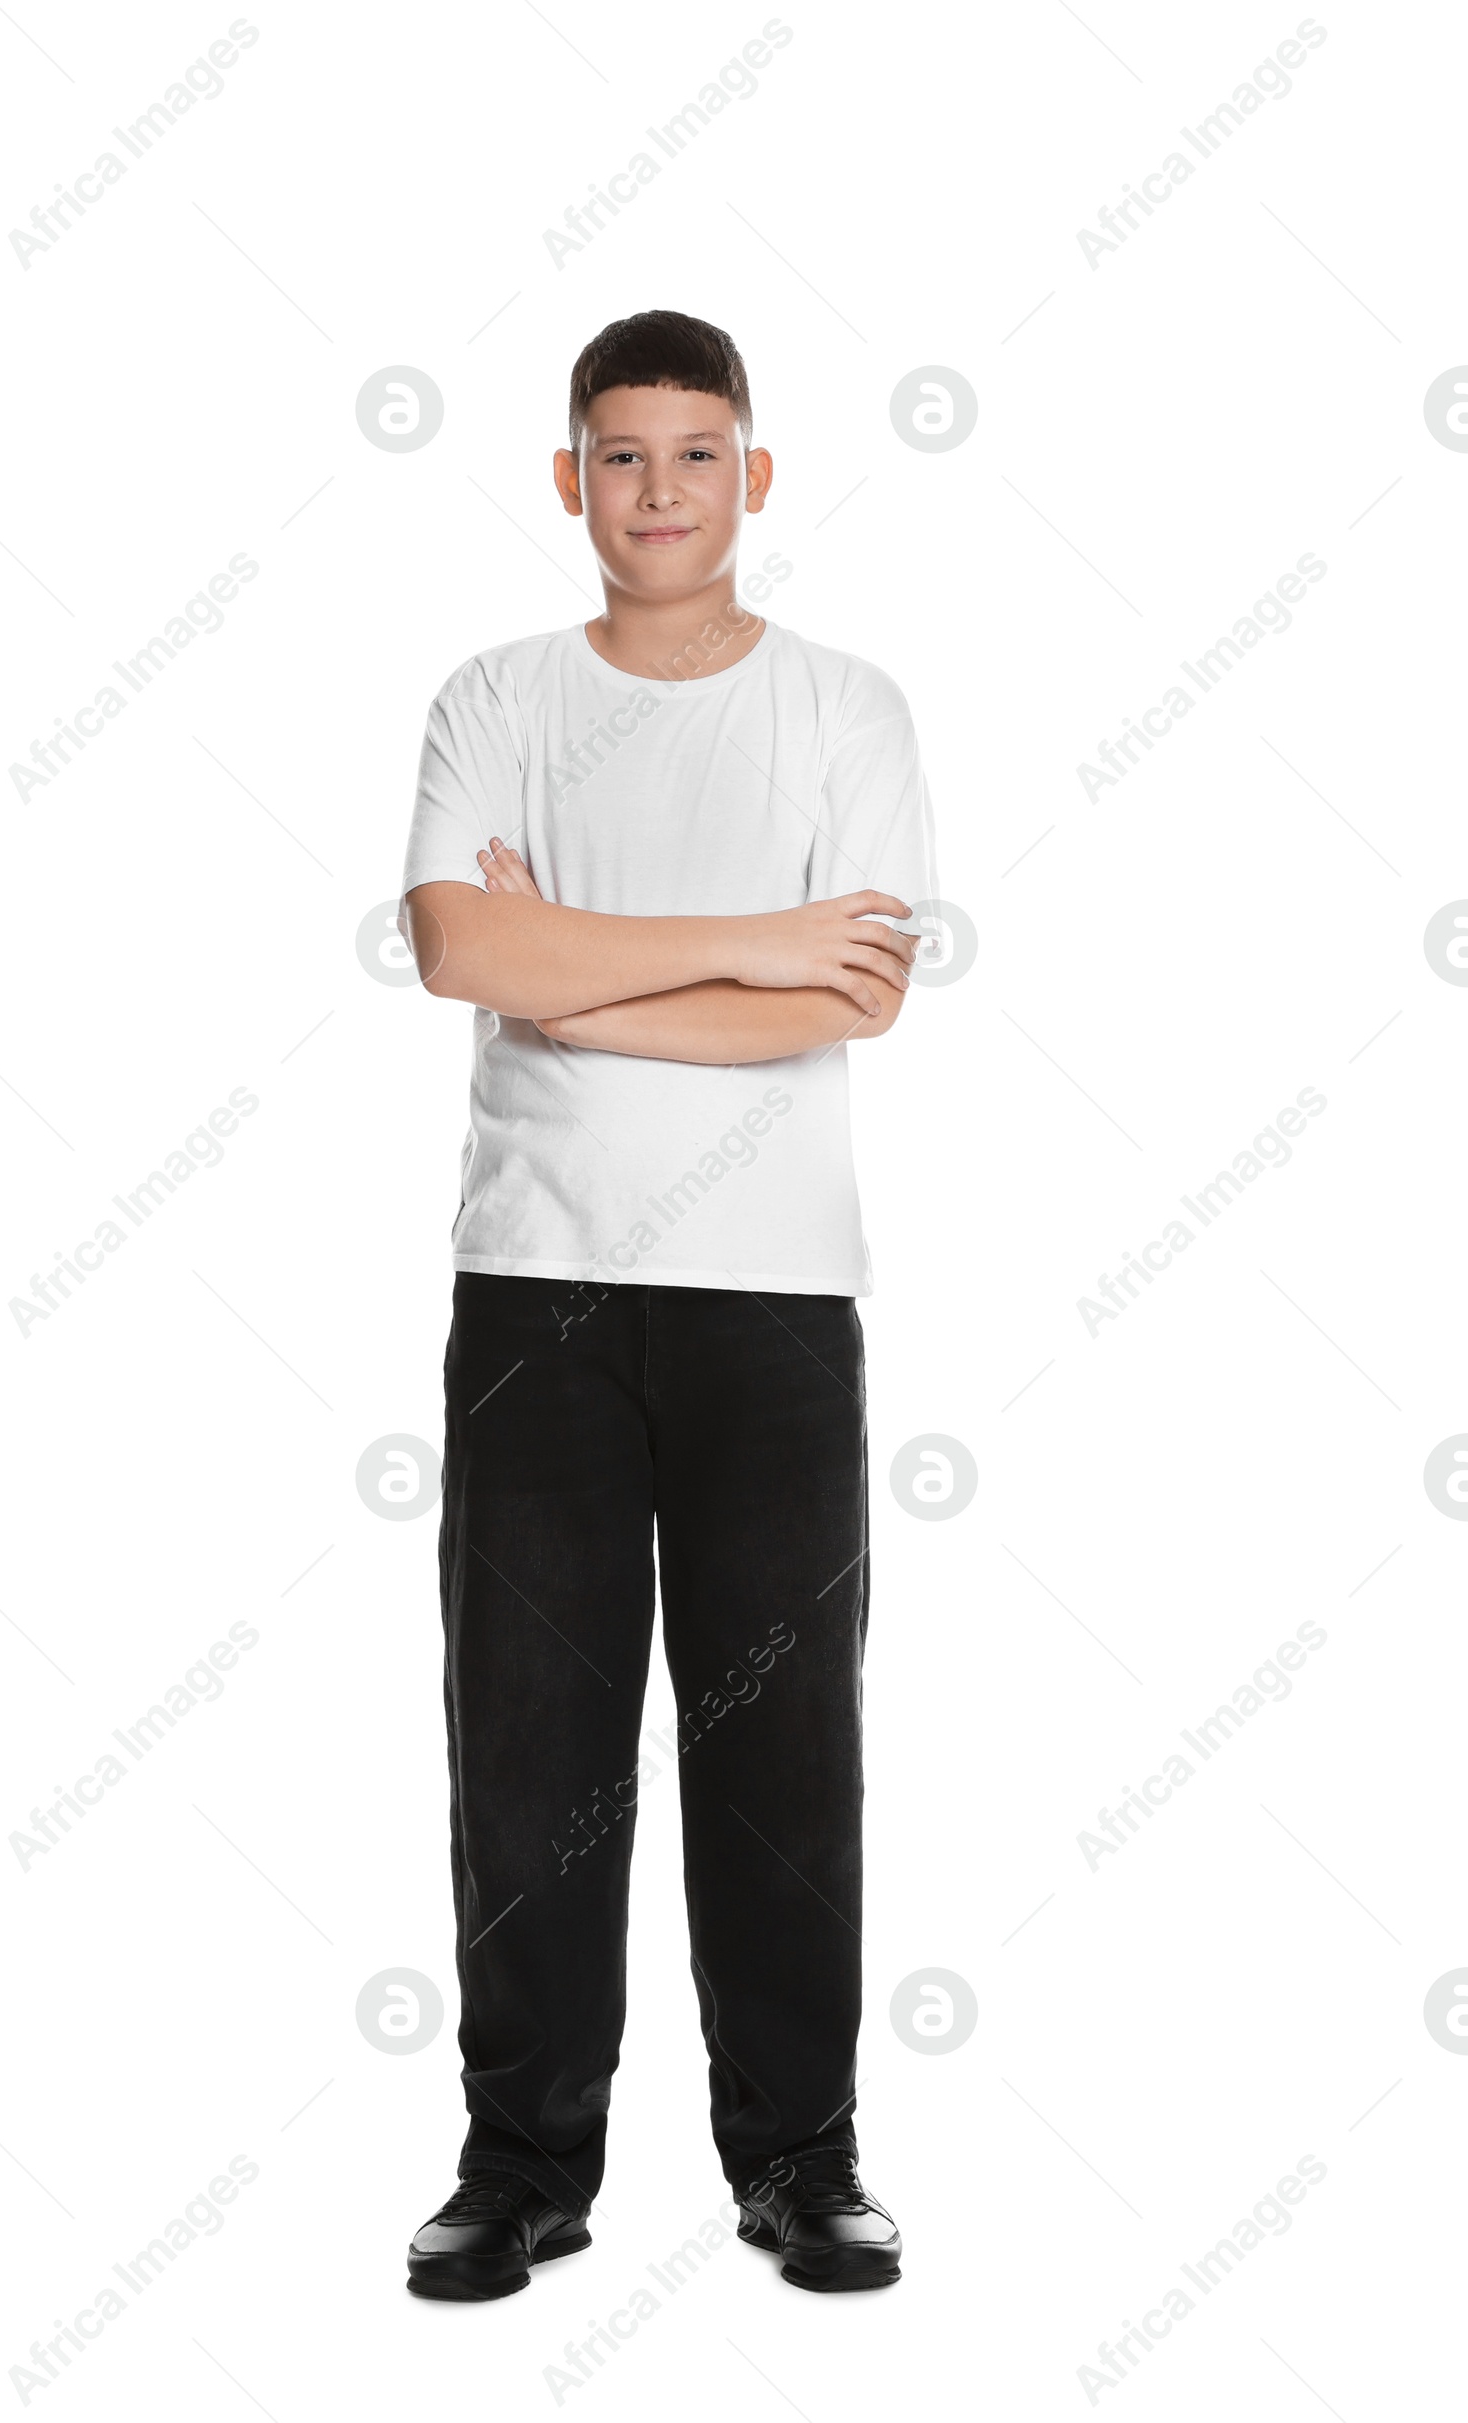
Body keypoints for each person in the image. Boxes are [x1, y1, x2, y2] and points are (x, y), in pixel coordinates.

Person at [400, 308, 935, 2300]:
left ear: (751, 476)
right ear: (567, 479)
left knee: (782, 1744)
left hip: (770, 1297)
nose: (655, 493)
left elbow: (852, 997)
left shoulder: (843, 711)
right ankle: (519, 2165)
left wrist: (575, 976)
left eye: (692, 454)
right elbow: (458, 936)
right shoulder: (495, 695)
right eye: (617, 455)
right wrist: (741, 945)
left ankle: (799, 2160)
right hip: (535, 1280)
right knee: (527, 1745)